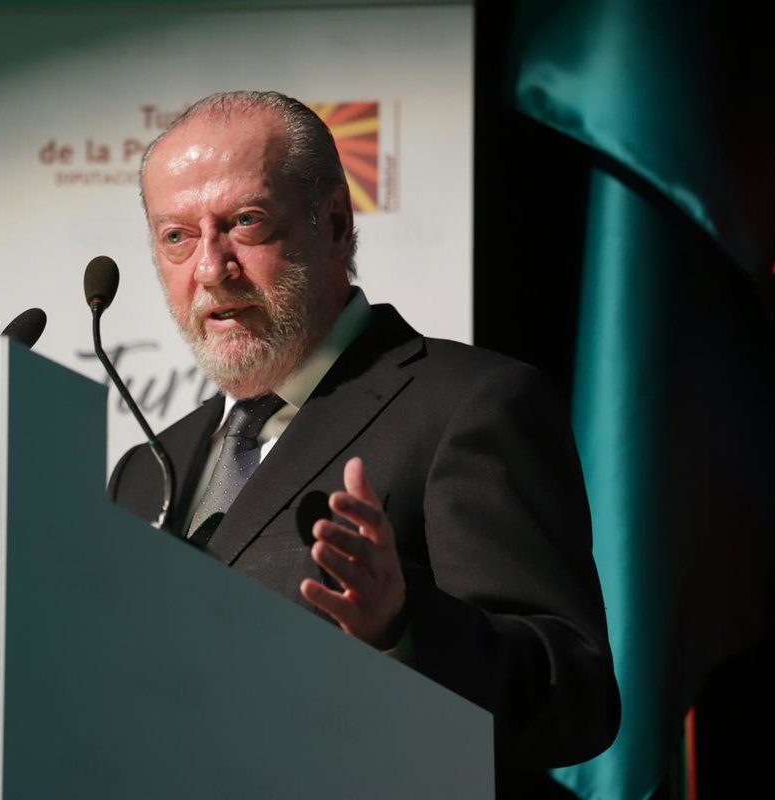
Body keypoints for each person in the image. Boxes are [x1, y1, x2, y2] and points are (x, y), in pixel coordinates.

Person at [107, 90, 619, 793]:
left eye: (246, 222)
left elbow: (576, 694)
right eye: (177, 237)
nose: (210, 268)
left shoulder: (468, 404)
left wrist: (402, 629)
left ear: (337, 224)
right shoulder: (143, 473)